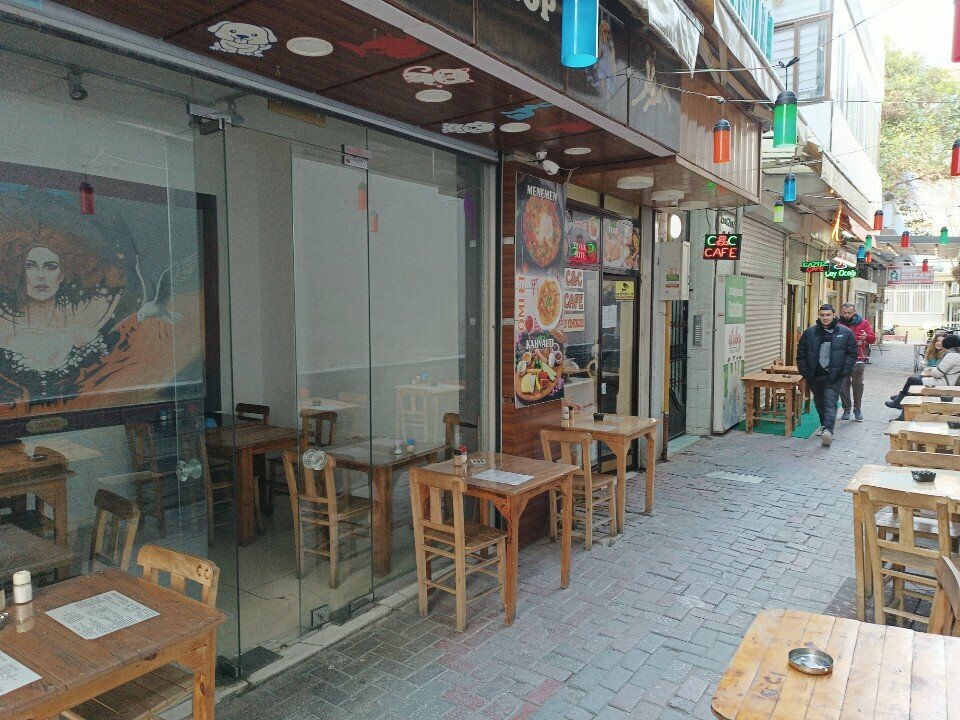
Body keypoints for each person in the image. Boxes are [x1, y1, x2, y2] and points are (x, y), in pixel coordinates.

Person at [796, 304, 858, 447]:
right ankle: (824, 425)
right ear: (819, 316)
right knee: (819, 402)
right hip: (815, 375)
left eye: (828, 315)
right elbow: (801, 354)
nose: (825, 318)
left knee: (830, 402)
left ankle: (828, 431)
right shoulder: (809, 333)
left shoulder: (845, 333)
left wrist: (844, 371)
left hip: (834, 376)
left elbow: (851, 354)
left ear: (834, 315)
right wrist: (805, 372)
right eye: (822, 315)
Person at [886, 335, 960, 416]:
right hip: (948, 381)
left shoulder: (952, 355)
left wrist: (933, 369)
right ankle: (900, 405)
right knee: (915, 381)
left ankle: (900, 407)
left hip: (944, 383)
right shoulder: (956, 354)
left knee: (912, 381)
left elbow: (937, 374)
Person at [837, 303, 875, 422]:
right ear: (841, 312)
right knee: (843, 385)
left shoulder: (864, 323)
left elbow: (872, 339)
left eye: (849, 313)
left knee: (858, 385)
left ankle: (857, 409)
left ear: (854, 312)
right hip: (842, 360)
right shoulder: (837, 323)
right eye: (844, 313)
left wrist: (866, 337)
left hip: (858, 359)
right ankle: (846, 409)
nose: (846, 315)